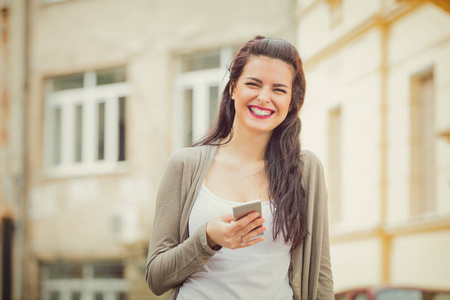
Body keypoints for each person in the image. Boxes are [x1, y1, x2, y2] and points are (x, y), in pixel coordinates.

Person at [145, 36, 334, 300]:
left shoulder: (305, 169)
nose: (264, 97)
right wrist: (208, 238)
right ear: (233, 88)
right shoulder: (185, 165)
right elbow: (156, 278)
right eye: (253, 84)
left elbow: (321, 273)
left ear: (292, 101)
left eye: (279, 89)